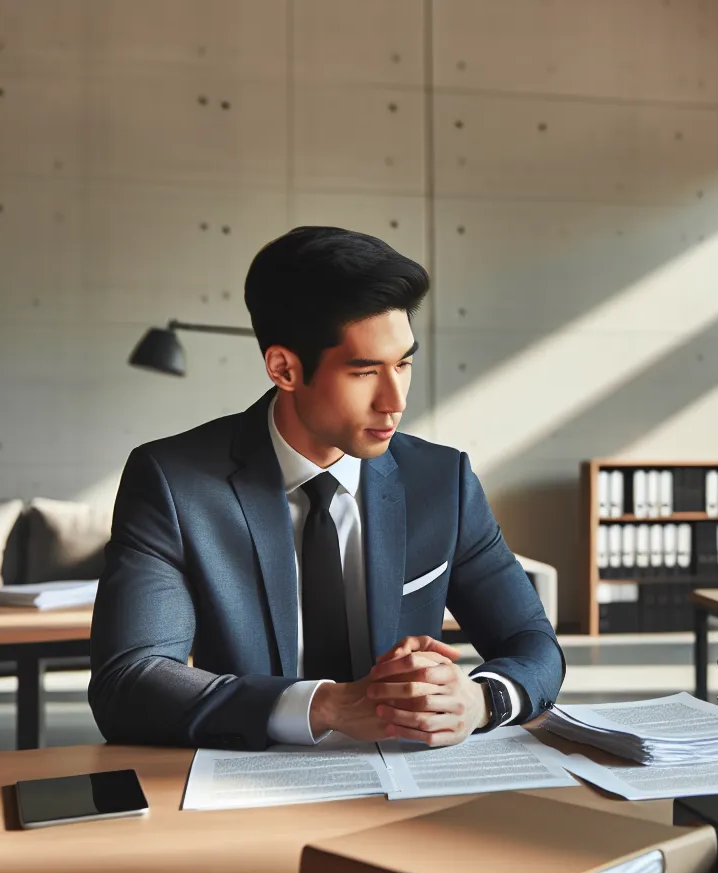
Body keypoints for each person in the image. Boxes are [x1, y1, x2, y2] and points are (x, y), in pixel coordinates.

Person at [90, 227, 563, 750]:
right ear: (284, 368)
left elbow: (533, 643)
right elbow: (129, 681)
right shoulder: (173, 483)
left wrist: (480, 700)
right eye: (364, 372)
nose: (394, 400)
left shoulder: (441, 480)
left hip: (411, 784)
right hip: (247, 779)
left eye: (404, 363)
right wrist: (327, 705)